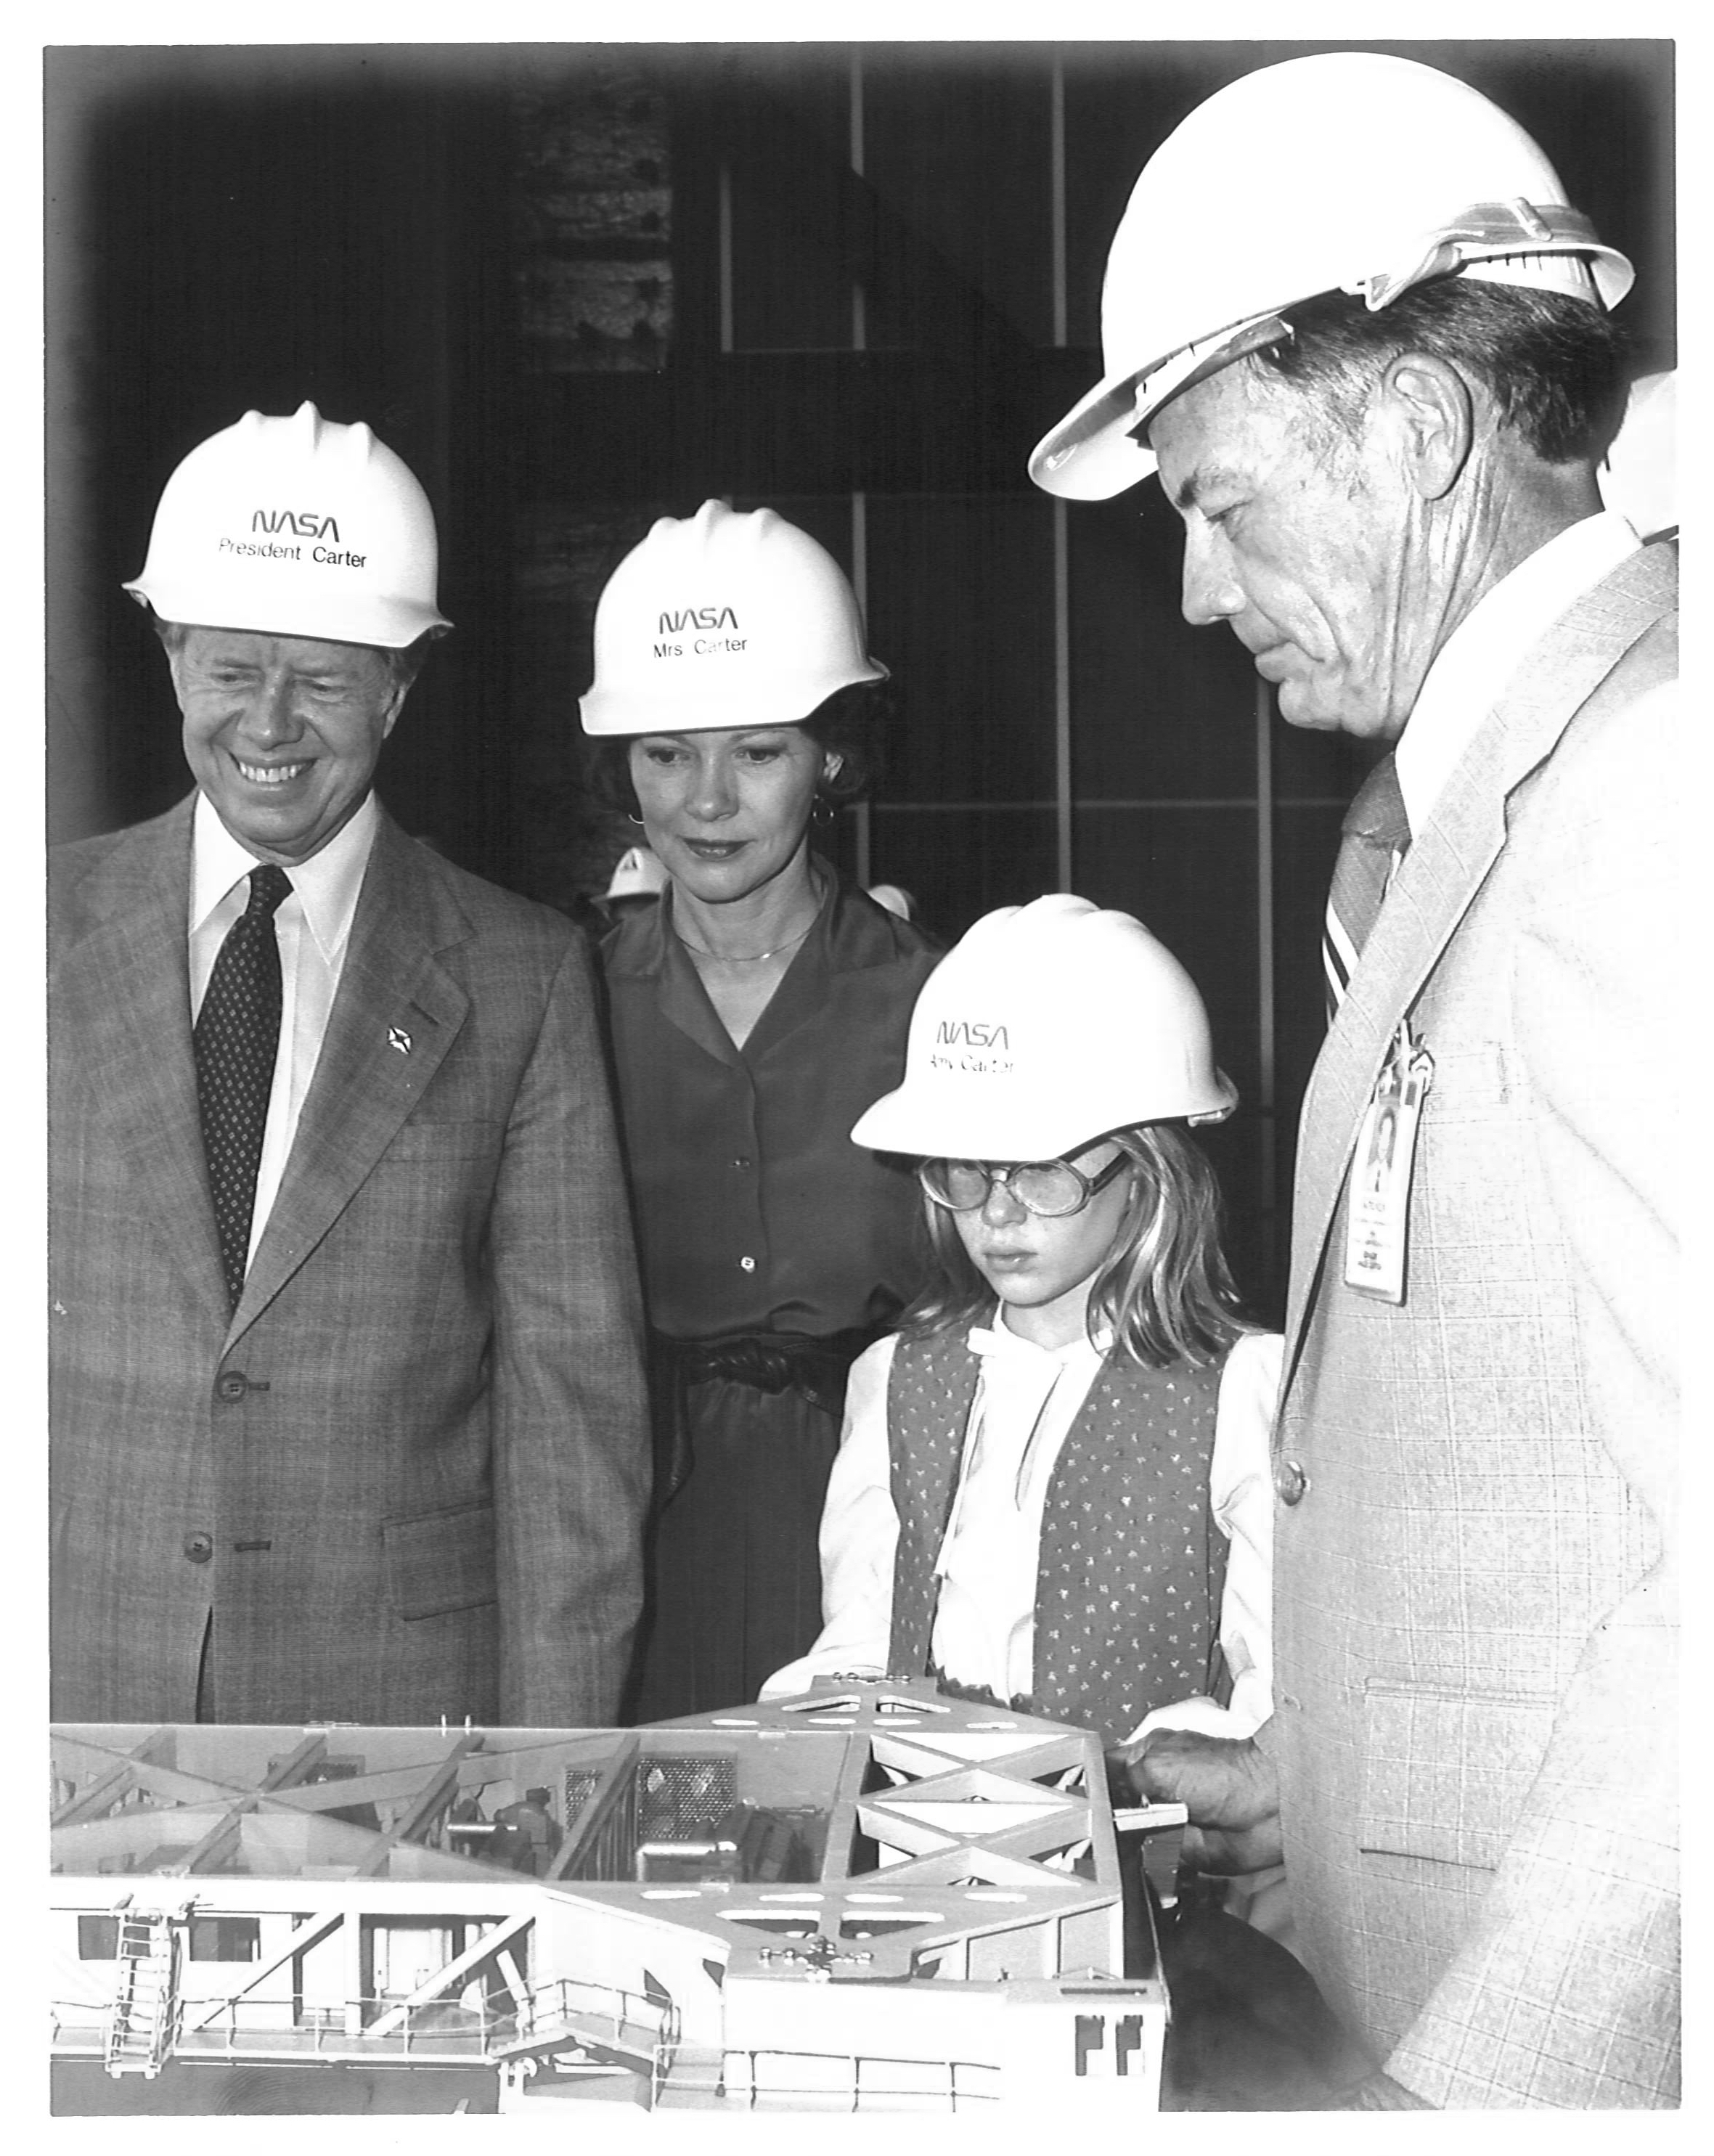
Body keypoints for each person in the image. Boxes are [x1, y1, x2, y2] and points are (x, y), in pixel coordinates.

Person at [1030, 52, 1677, 2108]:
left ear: (1411, 430)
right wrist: (1317, 1774)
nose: (1200, 586)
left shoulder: (1654, 795)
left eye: (1218, 499)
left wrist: (1475, 2107)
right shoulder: (1481, 804)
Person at [49, 401, 651, 1728]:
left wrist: (542, 1780)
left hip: (392, 1718)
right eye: (229, 669)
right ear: (168, 654)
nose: (270, 723)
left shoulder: (522, 978)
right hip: (66, 1693)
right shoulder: (30, 937)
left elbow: (573, 1425)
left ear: (401, 681)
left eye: (323, 679)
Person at [764, 895, 1281, 1754]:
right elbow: (861, 1639)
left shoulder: (1240, 1388)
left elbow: (1271, 1693)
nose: (997, 1214)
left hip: (1144, 1854)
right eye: (967, 1170)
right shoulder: (898, 1378)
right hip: (920, 1838)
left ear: (1149, 1176)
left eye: (1042, 1173)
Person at [580, 499, 941, 1721]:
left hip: (878, 1527)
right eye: (667, 753)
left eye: (759, 750)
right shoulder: (559, 1002)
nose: (707, 801)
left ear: (833, 755)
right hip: (627, 1528)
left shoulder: (937, 1002)